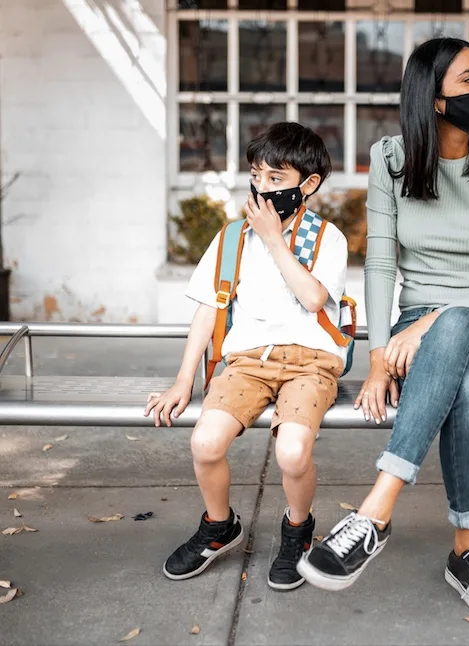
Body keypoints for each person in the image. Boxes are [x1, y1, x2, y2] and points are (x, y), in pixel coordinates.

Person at [297, 38, 469, 616]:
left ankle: (376, 511)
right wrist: (379, 357)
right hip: (419, 337)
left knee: (460, 331)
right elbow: (379, 264)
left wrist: (431, 322)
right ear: (432, 100)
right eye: (468, 80)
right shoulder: (390, 160)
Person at [144, 122, 348, 591]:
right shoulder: (232, 238)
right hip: (247, 363)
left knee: (292, 453)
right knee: (204, 443)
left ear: (308, 185)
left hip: (310, 363)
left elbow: (315, 300)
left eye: (277, 179)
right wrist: (183, 380)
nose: (263, 188)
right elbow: (207, 311)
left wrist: (275, 239)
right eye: (257, 177)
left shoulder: (326, 238)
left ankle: (298, 530)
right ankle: (220, 526)